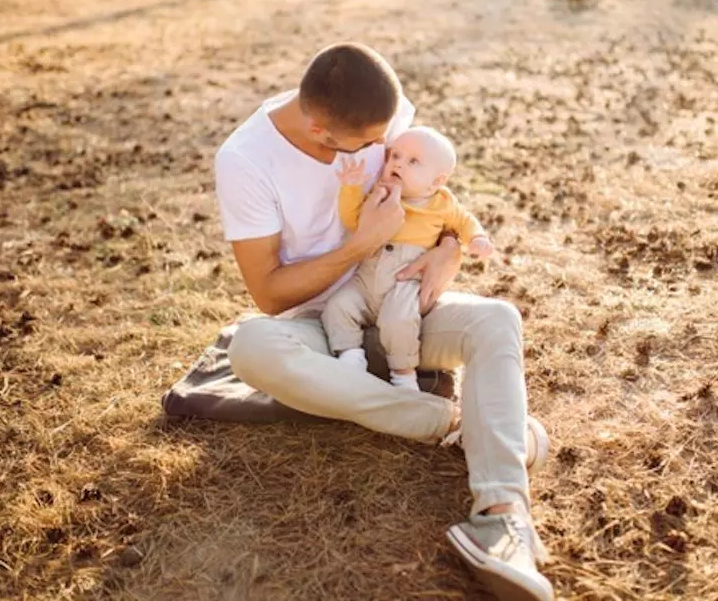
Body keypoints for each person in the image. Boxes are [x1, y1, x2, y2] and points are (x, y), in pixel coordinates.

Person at [183, 42, 555, 601]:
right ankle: (452, 425)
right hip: (317, 326)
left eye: (389, 139)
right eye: (370, 146)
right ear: (320, 133)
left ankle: (502, 517)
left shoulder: (381, 112)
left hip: (401, 301)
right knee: (250, 348)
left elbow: (434, 187)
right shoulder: (245, 161)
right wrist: (361, 244)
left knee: (498, 317)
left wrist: (449, 246)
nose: (385, 152)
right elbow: (267, 293)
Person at [322, 125, 494, 390]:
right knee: (339, 305)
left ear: (436, 182)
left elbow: (464, 221)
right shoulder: (382, 195)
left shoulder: (442, 203)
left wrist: (477, 238)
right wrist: (351, 188)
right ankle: (350, 355)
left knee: (400, 321)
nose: (398, 164)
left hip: (405, 281)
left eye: (413, 161)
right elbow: (353, 219)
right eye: (395, 156)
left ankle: (403, 374)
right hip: (367, 278)